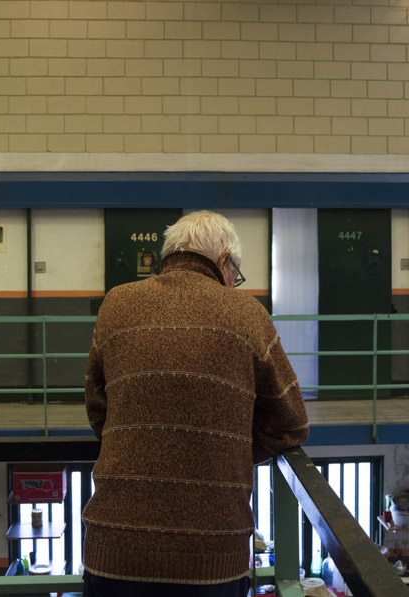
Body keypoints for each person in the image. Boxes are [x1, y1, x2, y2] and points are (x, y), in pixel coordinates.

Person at [82, 210, 309, 597]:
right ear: (223, 262)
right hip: (210, 558)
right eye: (234, 274)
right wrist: (226, 446)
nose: (233, 283)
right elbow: (291, 423)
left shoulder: (115, 305)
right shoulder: (246, 313)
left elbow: (99, 411)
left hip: (113, 549)